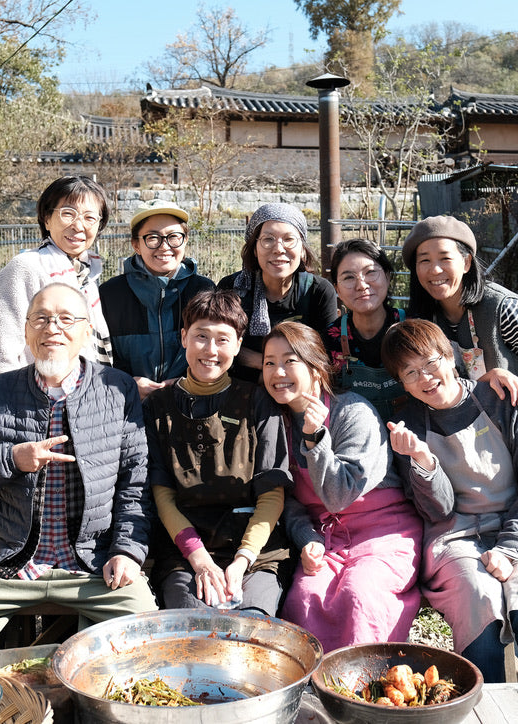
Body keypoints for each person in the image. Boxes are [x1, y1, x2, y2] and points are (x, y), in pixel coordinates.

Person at [0, 283, 157, 670]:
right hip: (10, 564)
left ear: (86, 332)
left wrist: (126, 550)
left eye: (65, 319)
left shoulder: (117, 389)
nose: (52, 328)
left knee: (145, 633)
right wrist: (9, 458)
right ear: (26, 332)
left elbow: (135, 481)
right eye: (40, 318)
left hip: (93, 564)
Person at [382, 318, 518, 684]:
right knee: (478, 601)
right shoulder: (406, 425)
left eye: (431, 362)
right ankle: (487, 709)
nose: (426, 378)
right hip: (456, 537)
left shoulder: (503, 401)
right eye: (411, 372)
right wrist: (424, 462)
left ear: (451, 357)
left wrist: (511, 547)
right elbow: (439, 511)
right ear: (402, 383)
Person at [263, 321, 423, 653]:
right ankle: (310, 693)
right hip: (326, 537)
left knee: (359, 593)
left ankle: (364, 688)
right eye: (269, 362)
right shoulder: (275, 422)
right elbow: (287, 501)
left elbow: (338, 496)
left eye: (289, 361)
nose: (278, 371)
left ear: (316, 367)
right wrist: (307, 538)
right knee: (304, 597)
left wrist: (315, 439)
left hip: (384, 533)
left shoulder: (353, 412)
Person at [143, 289, 292, 616]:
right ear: (183, 337)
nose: (210, 350)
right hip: (185, 553)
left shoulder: (258, 402)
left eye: (223, 339)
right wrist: (199, 561)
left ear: (239, 345)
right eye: (201, 336)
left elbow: (271, 493)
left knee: (253, 627)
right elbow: (162, 494)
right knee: (194, 629)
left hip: (254, 552)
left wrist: (241, 562)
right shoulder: (158, 407)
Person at [402, 215, 518, 472]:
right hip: (476, 453)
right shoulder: (424, 319)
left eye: (445, 258)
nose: (434, 270)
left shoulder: (502, 308)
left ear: (466, 262)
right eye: (424, 260)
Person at [0, 176, 113, 380]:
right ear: (47, 218)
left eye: (90, 218)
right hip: (34, 403)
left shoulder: (86, 276)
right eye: (68, 214)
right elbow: (0, 356)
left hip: (81, 398)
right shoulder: (26, 268)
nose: (79, 226)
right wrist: (6, 405)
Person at [99, 199, 215, 400]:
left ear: (185, 240)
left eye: (174, 237)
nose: (164, 246)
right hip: (127, 406)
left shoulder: (204, 290)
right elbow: (98, 359)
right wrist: (127, 382)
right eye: (153, 238)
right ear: (136, 244)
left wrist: (187, 382)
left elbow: (216, 350)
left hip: (190, 405)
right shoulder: (110, 294)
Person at [218, 203, 337, 382]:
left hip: (298, 390)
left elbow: (324, 356)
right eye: (268, 239)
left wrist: (259, 361)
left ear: (303, 249)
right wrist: (271, 366)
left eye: (289, 239)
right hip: (241, 390)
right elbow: (219, 346)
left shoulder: (318, 292)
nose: (278, 249)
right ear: (255, 250)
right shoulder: (233, 287)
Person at [322, 238, 408, 420]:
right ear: (337, 288)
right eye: (348, 277)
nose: (361, 285)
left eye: (370, 273)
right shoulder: (328, 339)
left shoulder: (413, 327)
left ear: (387, 276)